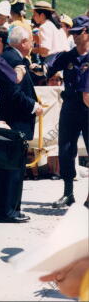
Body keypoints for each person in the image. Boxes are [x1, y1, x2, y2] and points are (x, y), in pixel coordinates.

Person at [0, 26, 43, 222]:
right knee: (12, 169)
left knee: (11, 167)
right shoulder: (13, 60)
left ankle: (8, 208)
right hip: (15, 121)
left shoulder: (11, 58)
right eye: (31, 41)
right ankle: (9, 211)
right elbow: (13, 93)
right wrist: (33, 106)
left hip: (13, 120)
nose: (33, 44)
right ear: (23, 42)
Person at [45, 16, 89, 208]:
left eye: (78, 32)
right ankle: (68, 192)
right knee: (65, 149)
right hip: (71, 106)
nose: (74, 36)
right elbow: (47, 69)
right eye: (72, 32)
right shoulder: (67, 56)